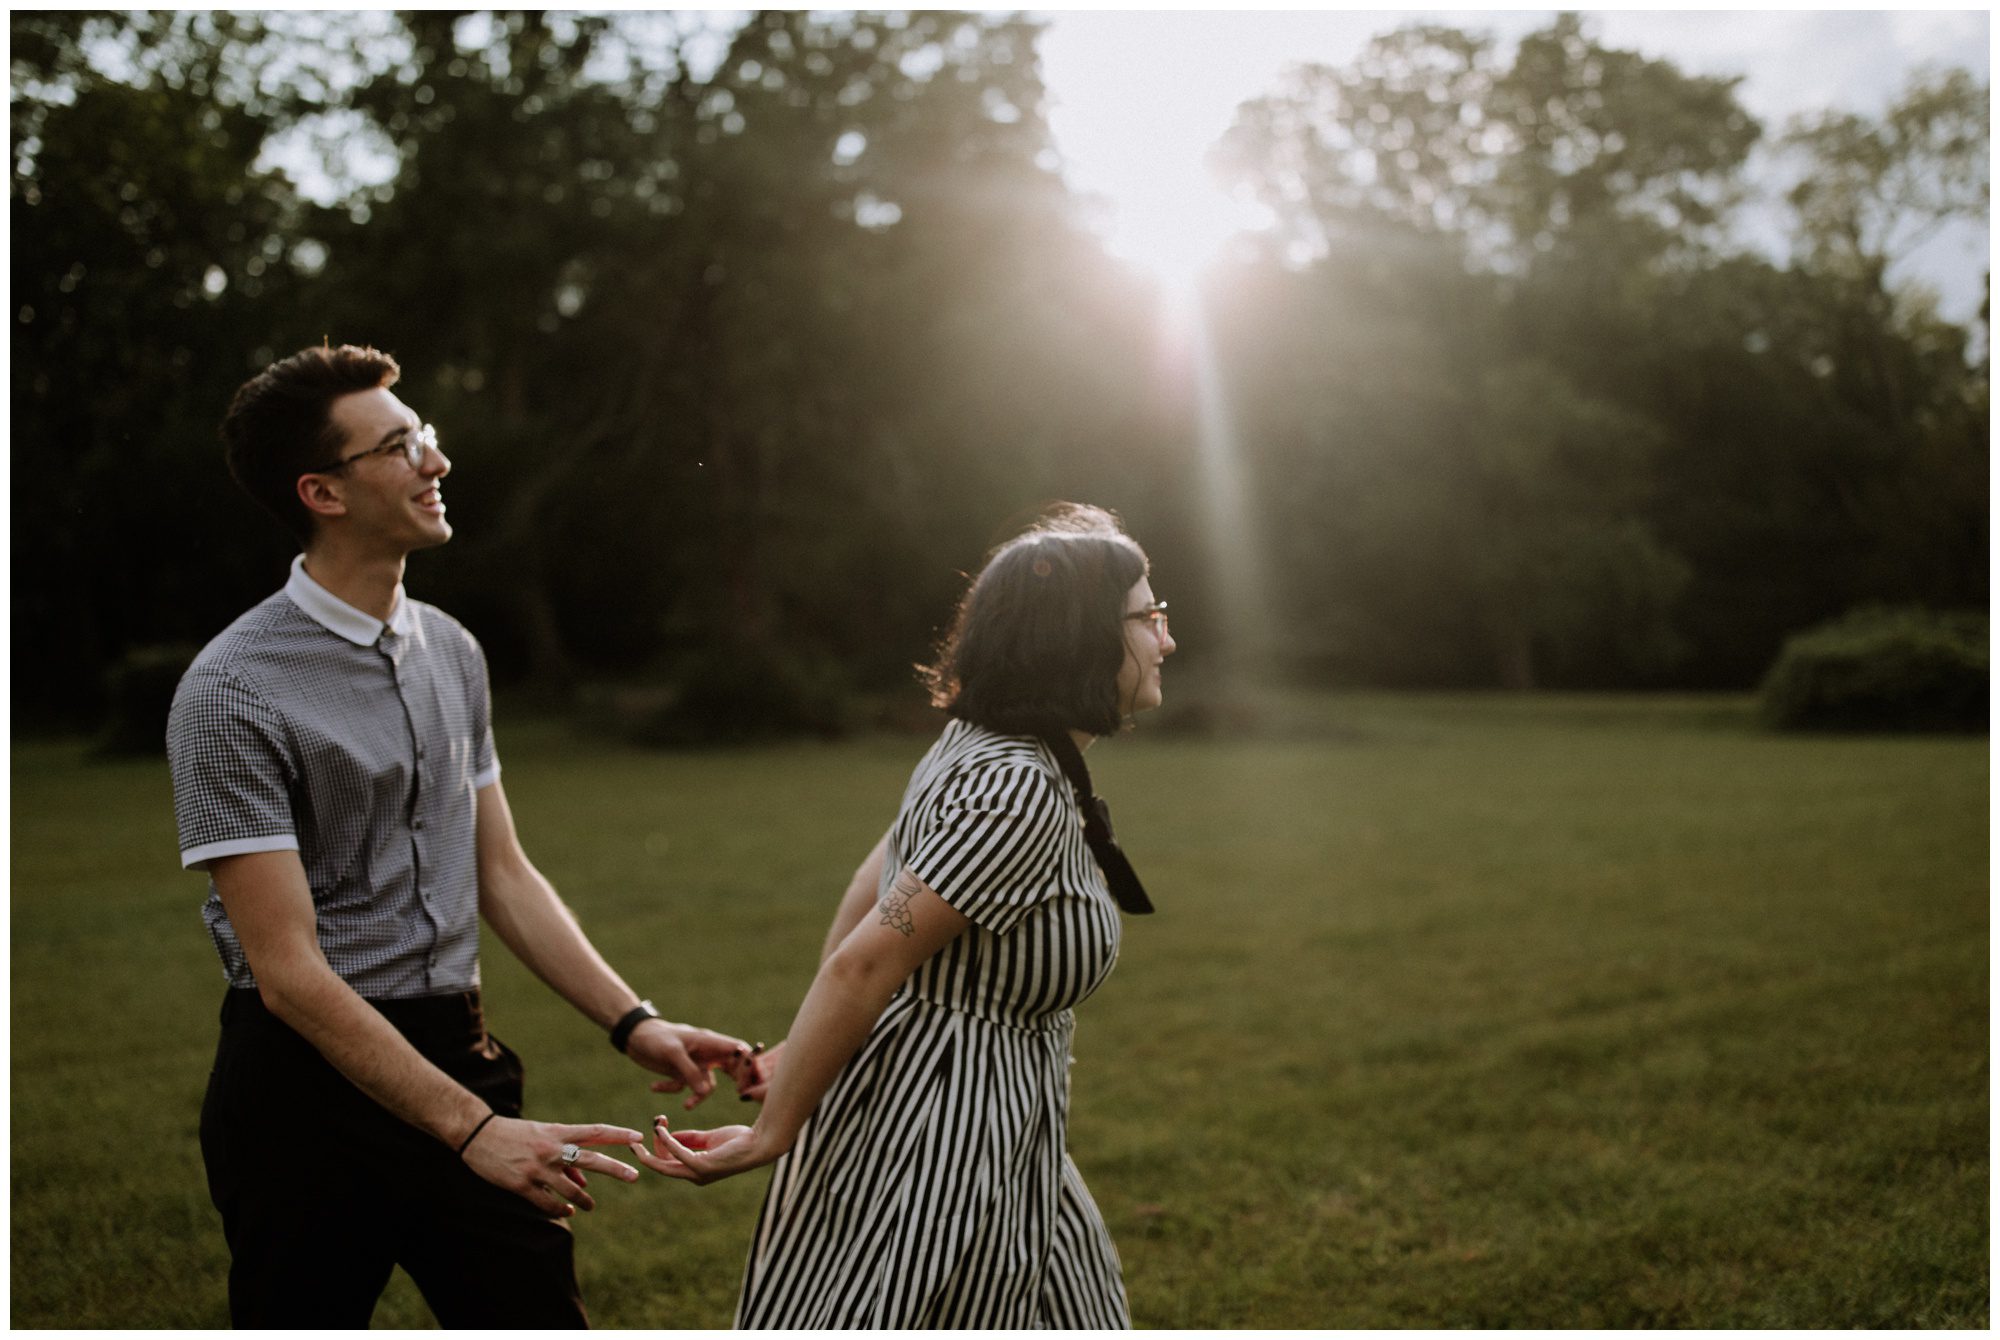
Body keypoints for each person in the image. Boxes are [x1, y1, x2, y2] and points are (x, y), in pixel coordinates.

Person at [166, 343, 750, 1328]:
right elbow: (288, 971)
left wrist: (634, 1021)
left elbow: (502, 871)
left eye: (425, 436)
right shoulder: (230, 690)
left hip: (459, 1043)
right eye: (400, 445)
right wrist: (469, 1127)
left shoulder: (453, 649)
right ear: (323, 490)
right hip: (302, 1092)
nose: (436, 460)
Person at [632, 503, 1177, 1328]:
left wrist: (804, 1043)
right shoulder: (1017, 789)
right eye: (1149, 617)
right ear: (1079, 636)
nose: (1166, 639)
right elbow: (867, 959)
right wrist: (773, 1131)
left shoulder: (988, 747)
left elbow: (873, 881)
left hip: (1009, 1123)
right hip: (940, 1132)